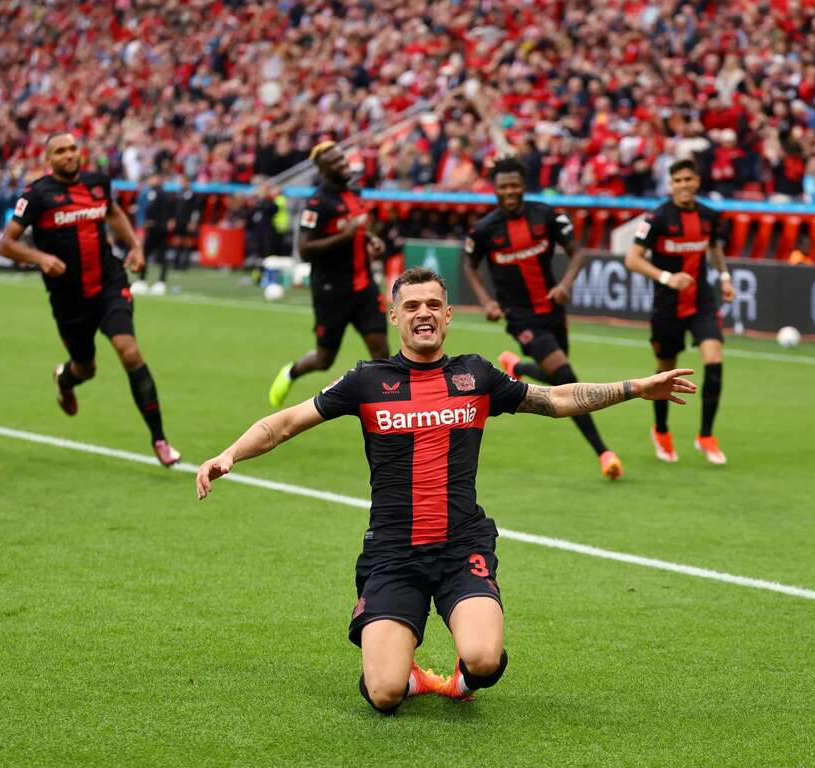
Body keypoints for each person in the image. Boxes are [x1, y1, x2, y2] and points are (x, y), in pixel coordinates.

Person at [197, 267, 696, 715]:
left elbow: (555, 399)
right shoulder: (366, 380)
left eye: (433, 305)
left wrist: (636, 387)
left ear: (449, 315)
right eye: (411, 306)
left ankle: (460, 680)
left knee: (483, 660)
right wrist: (230, 454)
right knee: (385, 694)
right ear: (394, 316)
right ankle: (407, 673)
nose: (423, 314)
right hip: (393, 552)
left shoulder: (474, 374)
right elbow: (285, 423)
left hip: (461, 545)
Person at [0, 131, 181, 467]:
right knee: (86, 368)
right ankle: (65, 379)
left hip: (109, 284)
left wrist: (135, 247)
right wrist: (40, 259)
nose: (69, 155)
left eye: (72, 149)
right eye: (60, 151)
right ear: (48, 159)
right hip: (68, 298)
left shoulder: (98, 184)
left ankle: (160, 440)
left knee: (130, 352)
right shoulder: (37, 194)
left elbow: (112, 213)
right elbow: (6, 244)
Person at [463, 156, 623, 480]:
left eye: (514, 185)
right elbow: (469, 265)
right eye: (503, 186)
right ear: (495, 189)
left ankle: (518, 367)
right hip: (520, 318)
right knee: (566, 378)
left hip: (552, 308)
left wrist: (565, 285)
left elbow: (577, 251)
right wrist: (487, 302)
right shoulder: (484, 229)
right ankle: (604, 453)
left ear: (523, 186)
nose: (509, 192)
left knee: (559, 378)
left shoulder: (545, 214)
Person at [624, 158, 735, 465]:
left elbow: (714, 248)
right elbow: (632, 259)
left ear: (697, 181)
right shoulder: (657, 217)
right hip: (667, 306)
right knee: (664, 373)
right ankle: (661, 430)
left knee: (714, 362)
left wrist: (724, 278)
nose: (684, 184)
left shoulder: (710, 216)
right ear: (671, 185)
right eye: (678, 180)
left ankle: (706, 436)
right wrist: (666, 278)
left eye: (689, 179)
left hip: (701, 301)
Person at [267, 142, 388, 408]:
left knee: (381, 351)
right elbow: (305, 249)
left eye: (343, 159)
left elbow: (361, 228)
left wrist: (371, 240)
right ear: (323, 170)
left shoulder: (355, 193)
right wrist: (342, 237)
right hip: (332, 291)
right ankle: (291, 371)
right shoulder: (317, 203)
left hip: (364, 286)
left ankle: (384, 412)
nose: (343, 165)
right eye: (335, 162)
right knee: (324, 360)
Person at [131, 172, 174, 295]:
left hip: (154, 227)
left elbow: (150, 208)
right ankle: (161, 282)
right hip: (163, 227)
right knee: (162, 255)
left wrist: (148, 221)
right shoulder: (167, 194)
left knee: (146, 253)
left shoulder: (153, 192)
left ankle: (142, 280)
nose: (150, 180)